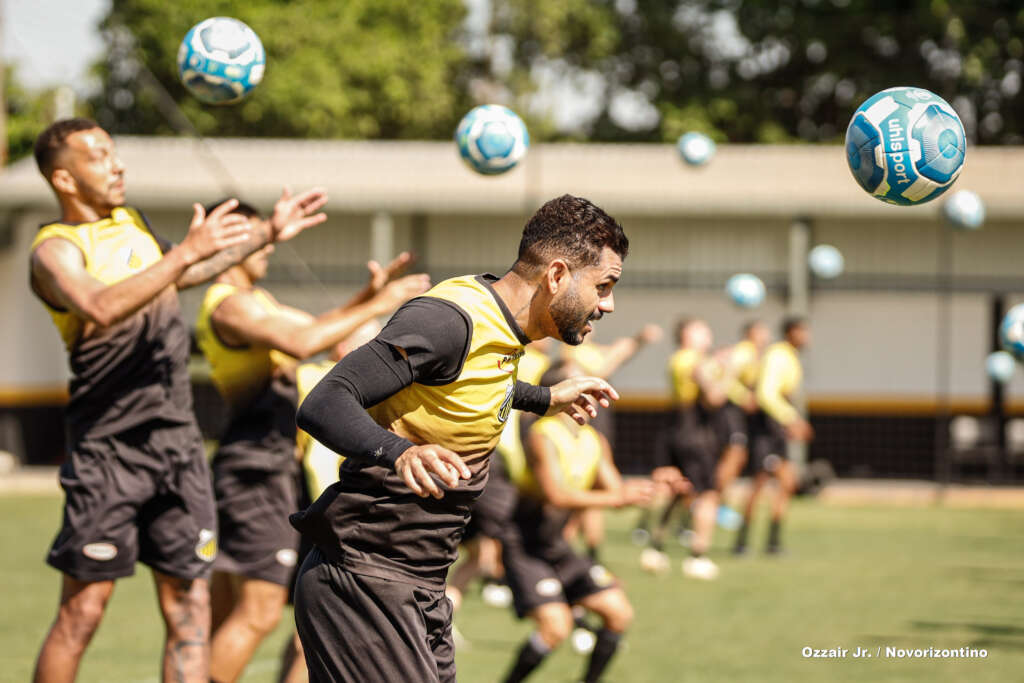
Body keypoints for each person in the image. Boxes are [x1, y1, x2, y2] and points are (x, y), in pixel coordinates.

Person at [28, 118, 326, 683]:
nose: (115, 164)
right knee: (83, 612)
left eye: (115, 152)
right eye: (98, 156)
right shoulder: (55, 250)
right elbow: (98, 305)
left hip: (179, 447)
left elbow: (183, 273)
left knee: (188, 608)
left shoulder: (133, 228)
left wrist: (266, 234)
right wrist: (183, 254)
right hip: (109, 449)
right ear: (63, 178)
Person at [291, 194, 629, 682]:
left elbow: (460, 384)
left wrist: (542, 398)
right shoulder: (450, 319)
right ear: (556, 276)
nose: (608, 304)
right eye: (604, 286)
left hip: (419, 582)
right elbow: (326, 400)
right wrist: (401, 453)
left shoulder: (503, 328)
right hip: (364, 577)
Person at [194, 199, 428, 683]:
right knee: (258, 612)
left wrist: (367, 295)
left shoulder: (255, 298)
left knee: (260, 610)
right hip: (255, 467)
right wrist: (382, 305)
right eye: (261, 236)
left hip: (266, 466)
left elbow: (315, 332)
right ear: (234, 241)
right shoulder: (230, 303)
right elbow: (304, 343)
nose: (270, 245)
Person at [499, 361, 654, 683]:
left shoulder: (593, 440)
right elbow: (557, 496)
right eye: (582, 383)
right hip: (525, 546)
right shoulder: (542, 434)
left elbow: (617, 492)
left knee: (618, 613)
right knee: (556, 627)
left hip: (557, 546)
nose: (594, 390)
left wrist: (656, 484)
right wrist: (615, 499)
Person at [561, 324, 663, 562]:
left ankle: (592, 558)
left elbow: (616, 353)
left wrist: (636, 341)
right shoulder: (572, 352)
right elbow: (605, 365)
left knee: (595, 494)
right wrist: (636, 340)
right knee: (579, 498)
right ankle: (564, 553)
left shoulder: (593, 350)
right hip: (585, 425)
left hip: (598, 425)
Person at [643, 318, 725, 580]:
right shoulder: (695, 361)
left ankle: (655, 548)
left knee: (678, 491)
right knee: (709, 495)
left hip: (675, 430)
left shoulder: (677, 359)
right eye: (701, 329)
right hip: (697, 436)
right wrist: (728, 370)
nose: (707, 333)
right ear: (687, 335)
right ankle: (698, 557)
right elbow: (714, 398)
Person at [734, 317, 814, 555]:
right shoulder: (778, 356)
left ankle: (772, 542)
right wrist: (791, 419)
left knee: (786, 483)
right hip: (766, 430)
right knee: (759, 485)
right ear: (792, 332)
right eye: (803, 331)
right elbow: (766, 394)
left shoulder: (789, 356)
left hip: (775, 430)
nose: (808, 337)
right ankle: (742, 542)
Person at [712, 320, 771, 513]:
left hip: (738, 412)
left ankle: (718, 500)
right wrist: (745, 397)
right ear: (751, 334)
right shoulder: (744, 351)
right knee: (733, 455)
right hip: (731, 410)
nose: (766, 335)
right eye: (761, 331)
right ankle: (713, 501)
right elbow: (726, 379)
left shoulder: (755, 353)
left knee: (738, 456)